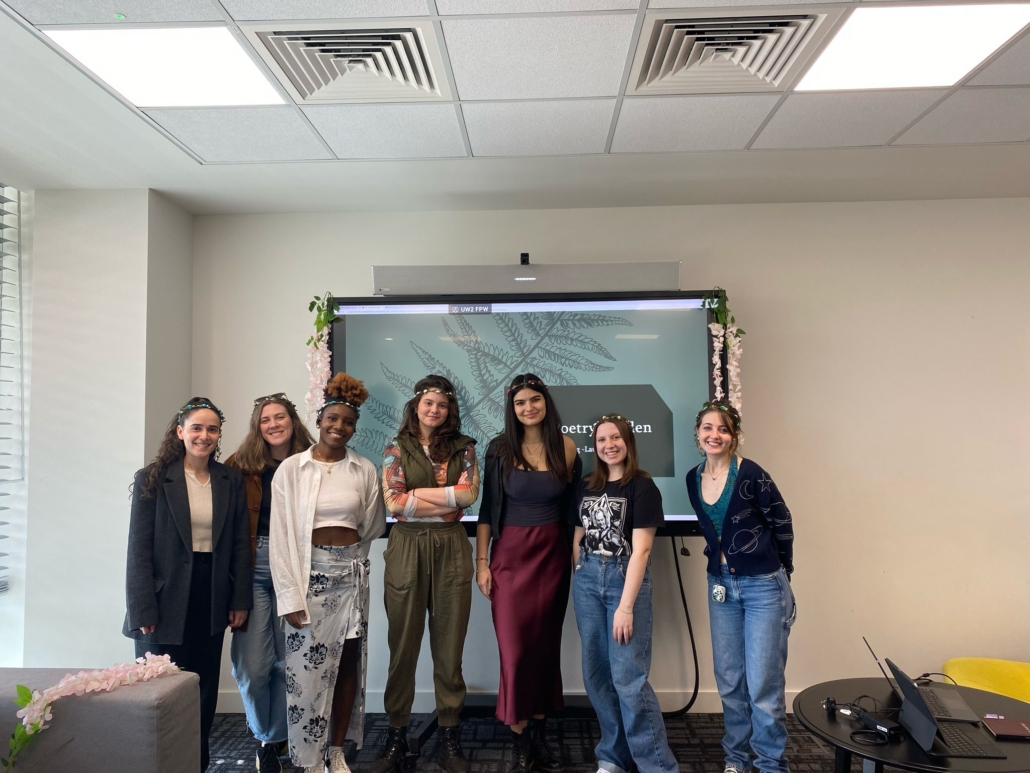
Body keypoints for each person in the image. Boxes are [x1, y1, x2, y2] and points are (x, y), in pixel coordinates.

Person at [124, 397, 252, 773]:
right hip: (163, 599)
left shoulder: (229, 479)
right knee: (158, 690)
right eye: (196, 427)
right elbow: (138, 549)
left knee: (203, 688)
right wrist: (142, 608)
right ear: (180, 432)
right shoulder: (151, 477)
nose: (204, 435)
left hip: (211, 593)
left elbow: (239, 545)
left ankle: (197, 764)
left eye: (212, 429)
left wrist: (239, 597)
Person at [269, 374, 386, 773]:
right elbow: (282, 537)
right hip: (308, 579)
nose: (339, 427)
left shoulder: (364, 469)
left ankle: (335, 750)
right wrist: (288, 596)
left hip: (352, 578)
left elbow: (371, 525)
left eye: (348, 422)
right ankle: (308, 759)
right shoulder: (291, 470)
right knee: (306, 672)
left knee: (348, 661)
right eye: (332, 419)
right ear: (319, 420)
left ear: (355, 427)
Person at [374, 375, 480, 773]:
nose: (434, 410)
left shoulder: (464, 447)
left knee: (449, 647)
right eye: (428, 403)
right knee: (402, 645)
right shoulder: (395, 448)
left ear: (449, 409)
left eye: (441, 405)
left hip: (452, 545)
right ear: (416, 406)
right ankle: (396, 733)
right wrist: (446, 498)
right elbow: (394, 504)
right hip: (406, 546)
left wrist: (417, 498)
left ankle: (450, 732)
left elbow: (469, 497)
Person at [684, 401, 796, 773]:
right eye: (707, 428)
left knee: (763, 685)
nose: (714, 435)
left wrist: (783, 570)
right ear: (697, 434)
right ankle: (736, 760)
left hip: (763, 586)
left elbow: (782, 522)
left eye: (723, 429)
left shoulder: (751, 474)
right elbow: (711, 531)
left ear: (734, 436)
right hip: (720, 587)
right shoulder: (691, 478)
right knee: (730, 681)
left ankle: (769, 765)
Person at [477, 374, 579, 773]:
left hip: (552, 558)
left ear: (545, 402)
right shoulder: (499, 449)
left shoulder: (567, 447)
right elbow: (487, 510)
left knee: (543, 648)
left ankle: (537, 734)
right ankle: (517, 735)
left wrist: (574, 553)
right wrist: (481, 563)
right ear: (512, 408)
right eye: (520, 402)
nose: (528, 407)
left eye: (534, 400)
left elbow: (574, 510)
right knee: (515, 652)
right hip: (509, 557)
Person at [570, 413, 678, 773]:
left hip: (623, 580)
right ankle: (612, 756)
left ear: (628, 442)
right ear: (595, 446)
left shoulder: (643, 487)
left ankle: (656, 765)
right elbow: (578, 532)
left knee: (628, 679)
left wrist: (626, 606)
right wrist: (579, 567)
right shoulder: (586, 484)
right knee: (596, 675)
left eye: (615, 438)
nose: (609, 445)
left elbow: (643, 550)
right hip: (587, 580)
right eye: (602, 440)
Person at [225, 393, 315, 773]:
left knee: (287, 663)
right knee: (253, 666)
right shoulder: (238, 467)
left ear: (293, 421)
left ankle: (274, 740)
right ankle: (265, 732)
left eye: (280, 417)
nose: (274, 424)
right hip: (252, 567)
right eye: (266, 420)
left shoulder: (313, 463)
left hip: (296, 566)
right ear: (257, 427)